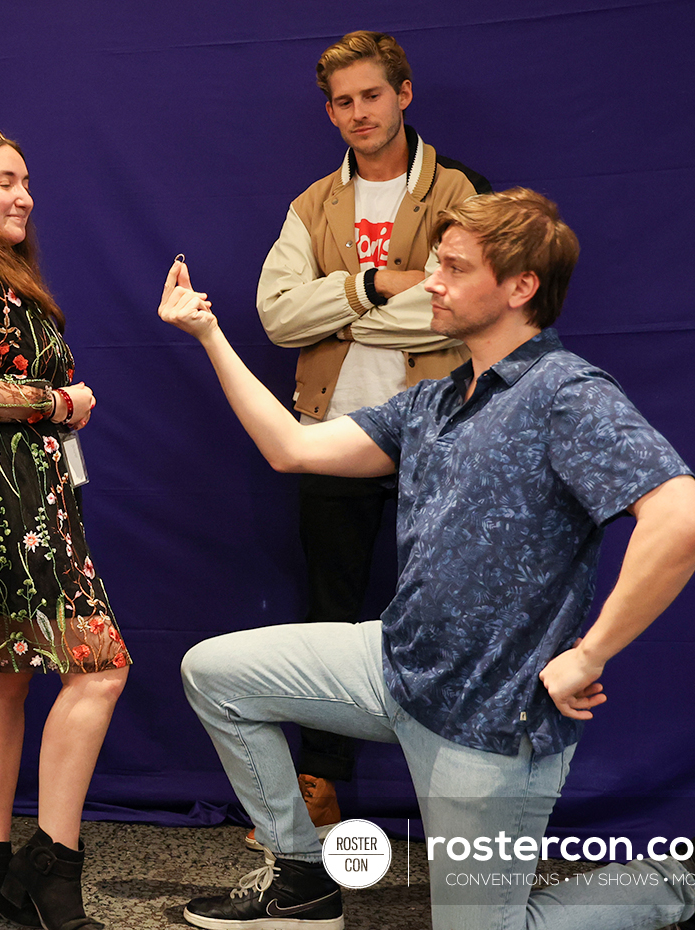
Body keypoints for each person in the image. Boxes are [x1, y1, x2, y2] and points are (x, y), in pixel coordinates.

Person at [161, 189, 695, 930]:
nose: (432, 280)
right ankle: (301, 880)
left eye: (454, 267)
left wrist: (591, 653)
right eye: (437, 262)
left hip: (493, 719)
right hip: (395, 668)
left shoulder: (566, 394)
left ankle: (691, 878)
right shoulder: (433, 402)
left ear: (519, 287)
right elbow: (293, 448)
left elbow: (686, 518)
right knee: (215, 676)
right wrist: (209, 333)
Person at [255, 30, 490, 839]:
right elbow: (278, 318)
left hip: (440, 432)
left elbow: (468, 307)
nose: (359, 113)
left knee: (447, 612)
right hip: (329, 432)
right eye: (343, 102)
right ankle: (319, 784)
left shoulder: (463, 194)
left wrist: (347, 307)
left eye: (372, 96)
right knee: (328, 615)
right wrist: (371, 283)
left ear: (404, 94)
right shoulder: (312, 205)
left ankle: (462, 786)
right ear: (330, 111)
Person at [0, 127, 128, 930]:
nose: (24, 195)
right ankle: (51, 870)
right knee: (98, 665)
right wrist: (57, 403)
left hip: (19, 484)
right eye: (6, 180)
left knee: (3, 677)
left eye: (27, 181)